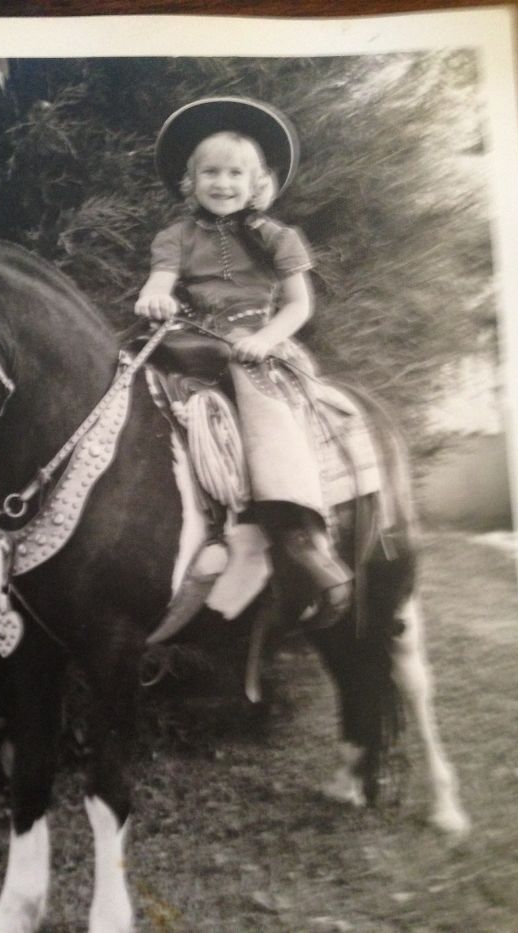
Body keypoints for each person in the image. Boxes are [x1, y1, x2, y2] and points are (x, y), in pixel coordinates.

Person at [135, 96, 352, 622]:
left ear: (258, 183)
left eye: (236, 173)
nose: (223, 183)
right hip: (192, 339)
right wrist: (154, 299)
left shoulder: (279, 237)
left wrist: (268, 338)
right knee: (133, 389)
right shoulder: (175, 237)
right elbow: (158, 283)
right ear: (191, 180)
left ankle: (297, 529)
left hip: (258, 343)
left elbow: (299, 304)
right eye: (210, 172)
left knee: (261, 402)